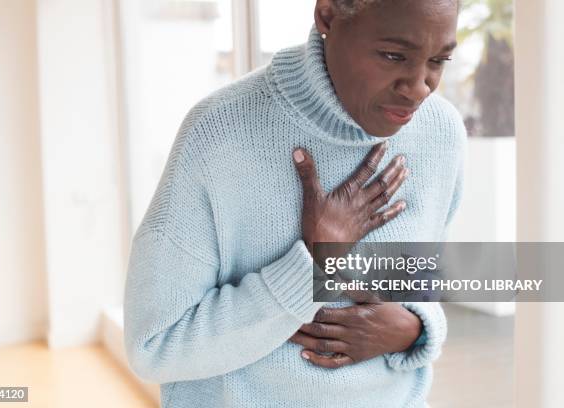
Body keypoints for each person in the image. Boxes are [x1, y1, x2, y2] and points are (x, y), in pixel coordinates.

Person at [124, 0, 466, 406]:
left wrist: (415, 329)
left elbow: (420, 288)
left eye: (439, 60)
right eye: (393, 55)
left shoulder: (441, 134)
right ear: (327, 16)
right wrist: (312, 270)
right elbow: (154, 345)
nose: (419, 87)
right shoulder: (218, 134)